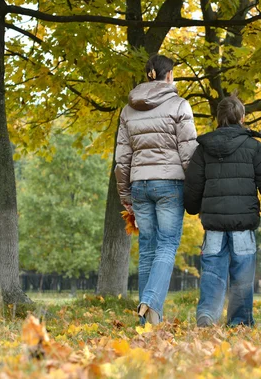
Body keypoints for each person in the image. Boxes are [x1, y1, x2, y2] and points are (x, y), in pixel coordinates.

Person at [114, 54, 197, 325]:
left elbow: (122, 158)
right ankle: (149, 300)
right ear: (169, 75)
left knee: (148, 248)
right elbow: (188, 153)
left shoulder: (128, 110)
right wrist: (195, 187)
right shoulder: (179, 105)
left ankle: (148, 322)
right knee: (167, 245)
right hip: (170, 184)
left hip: (139, 184)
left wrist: (125, 194)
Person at [184, 95, 261, 327]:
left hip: (213, 224)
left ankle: (207, 315)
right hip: (243, 222)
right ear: (242, 118)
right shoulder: (255, 147)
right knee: (242, 273)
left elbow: (193, 184)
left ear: (217, 118)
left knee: (212, 272)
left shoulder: (203, 149)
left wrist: (193, 208)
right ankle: (240, 322)